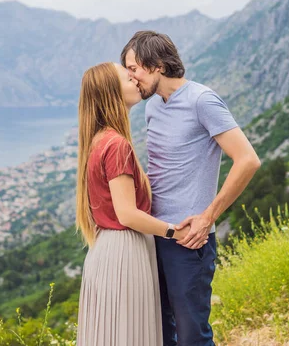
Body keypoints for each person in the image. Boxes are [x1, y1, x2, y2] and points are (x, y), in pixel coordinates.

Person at [121, 30, 261, 346]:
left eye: (133, 69)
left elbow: (248, 160)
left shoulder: (202, 100)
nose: (130, 78)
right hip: (155, 235)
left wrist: (208, 216)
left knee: (191, 337)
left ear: (156, 64)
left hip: (188, 241)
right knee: (159, 333)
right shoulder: (152, 106)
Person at [75, 62, 189, 346]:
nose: (136, 81)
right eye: (128, 78)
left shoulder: (98, 141)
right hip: (126, 252)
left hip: (107, 250)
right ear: (112, 91)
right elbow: (127, 214)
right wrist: (175, 232)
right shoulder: (117, 145)